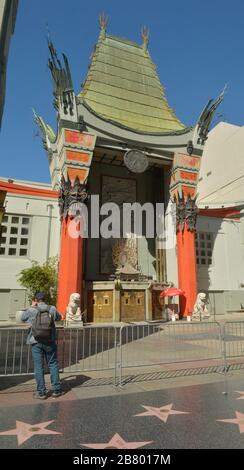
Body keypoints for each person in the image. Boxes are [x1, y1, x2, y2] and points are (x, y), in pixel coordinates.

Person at [21, 292, 62, 400]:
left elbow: (22, 317)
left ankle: (41, 393)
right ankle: (56, 390)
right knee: (53, 364)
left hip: (36, 341)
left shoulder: (31, 310)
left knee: (39, 367)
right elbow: (59, 317)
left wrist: (31, 306)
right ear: (45, 299)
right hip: (50, 341)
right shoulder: (52, 308)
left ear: (36, 299)